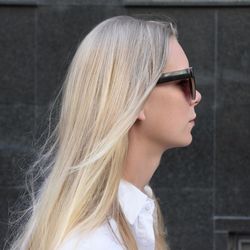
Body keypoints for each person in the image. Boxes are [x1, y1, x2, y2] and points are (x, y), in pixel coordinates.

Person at [7, 15, 201, 250]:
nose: (196, 96)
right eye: (184, 81)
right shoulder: (93, 242)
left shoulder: (133, 219)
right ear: (135, 97)